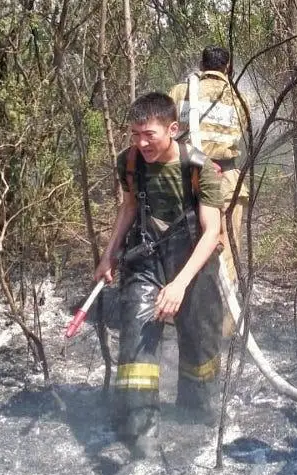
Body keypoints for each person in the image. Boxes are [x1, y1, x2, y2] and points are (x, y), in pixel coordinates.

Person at [93, 92, 224, 456]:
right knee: (137, 337)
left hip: (192, 261)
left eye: (149, 134)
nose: (141, 143)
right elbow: (129, 207)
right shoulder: (129, 162)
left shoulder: (199, 168)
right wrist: (108, 255)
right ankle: (141, 432)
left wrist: (179, 285)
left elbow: (212, 232)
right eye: (135, 134)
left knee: (200, 340)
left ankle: (196, 414)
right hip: (146, 258)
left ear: (172, 129)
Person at [168, 45, 250, 335]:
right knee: (226, 252)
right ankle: (223, 326)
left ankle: (178, 319)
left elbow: (167, 130)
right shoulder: (239, 97)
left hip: (185, 181)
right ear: (228, 67)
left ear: (201, 65)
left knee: (182, 247)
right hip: (226, 181)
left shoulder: (180, 92)